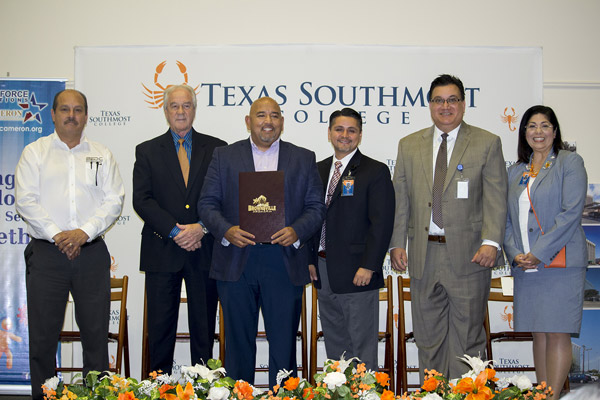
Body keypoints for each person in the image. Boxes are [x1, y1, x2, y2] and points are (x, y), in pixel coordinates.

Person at [198, 96, 325, 387]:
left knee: (283, 346)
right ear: (248, 121)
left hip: (283, 261)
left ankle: (283, 395)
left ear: (282, 121)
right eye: (261, 115)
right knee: (239, 347)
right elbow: (206, 204)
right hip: (236, 261)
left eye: (275, 115)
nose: (268, 121)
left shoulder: (303, 157)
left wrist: (296, 231)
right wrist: (227, 230)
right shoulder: (224, 156)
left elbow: (316, 207)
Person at [389, 74, 508, 379]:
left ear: (463, 104)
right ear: (430, 105)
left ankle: (466, 395)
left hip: (470, 256)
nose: (445, 106)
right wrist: (396, 244)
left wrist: (491, 242)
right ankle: (434, 395)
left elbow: (496, 197)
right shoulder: (409, 145)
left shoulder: (487, 142)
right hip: (422, 254)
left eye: (452, 100)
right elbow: (400, 200)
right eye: (439, 100)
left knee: (468, 339)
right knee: (427, 339)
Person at [15, 89, 124, 399]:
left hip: (91, 254)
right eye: (65, 109)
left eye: (78, 110)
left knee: (95, 338)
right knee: (43, 338)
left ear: (86, 117)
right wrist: (59, 235)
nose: (71, 115)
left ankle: (96, 396)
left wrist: (83, 233)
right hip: (48, 255)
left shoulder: (102, 154)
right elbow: (26, 201)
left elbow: (114, 199)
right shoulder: (35, 153)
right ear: (53, 113)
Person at [133, 84, 226, 374]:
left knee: (203, 328)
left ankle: (203, 387)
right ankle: (158, 388)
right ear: (165, 111)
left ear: (195, 110)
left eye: (187, 105)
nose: (181, 111)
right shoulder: (147, 150)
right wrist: (176, 232)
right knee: (159, 330)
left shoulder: (218, 149)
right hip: (162, 249)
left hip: (204, 249)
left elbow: (225, 197)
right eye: (175, 106)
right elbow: (142, 200)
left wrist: (201, 228)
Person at [503, 105, 587, 400]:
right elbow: (507, 221)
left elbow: (570, 213)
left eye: (545, 125)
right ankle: (542, 395)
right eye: (531, 126)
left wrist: (538, 252)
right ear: (523, 132)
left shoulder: (569, 162)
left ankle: (551, 398)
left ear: (555, 131)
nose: (538, 132)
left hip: (559, 263)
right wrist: (515, 254)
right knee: (538, 332)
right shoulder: (515, 171)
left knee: (557, 332)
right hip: (525, 267)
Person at [307, 108, 394, 370]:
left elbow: (382, 224)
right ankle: (338, 392)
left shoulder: (374, 171)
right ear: (330, 133)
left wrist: (369, 265)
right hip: (323, 269)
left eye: (351, 130)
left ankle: (367, 395)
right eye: (339, 129)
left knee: (362, 348)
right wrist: (309, 260)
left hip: (358, 272)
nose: (345, 135)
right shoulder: (317, 169)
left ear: (360, 135)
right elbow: (310, 219)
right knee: (335, 347)